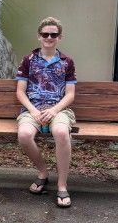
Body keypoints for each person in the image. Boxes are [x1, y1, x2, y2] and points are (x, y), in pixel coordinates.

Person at [15, 17, 76, 208]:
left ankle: (62, 185)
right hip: (32, 110)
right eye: (45, 34)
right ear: (39, 36)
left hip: (58, 110)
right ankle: (43, 172)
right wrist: (33, 111)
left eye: (53, 34)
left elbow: (70, 95)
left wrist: (54, 110)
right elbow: (20, 91)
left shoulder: (67, 62)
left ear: (59, 37)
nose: (49, 37)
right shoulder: (28, 61)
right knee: (24, 135)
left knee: (60, 132)